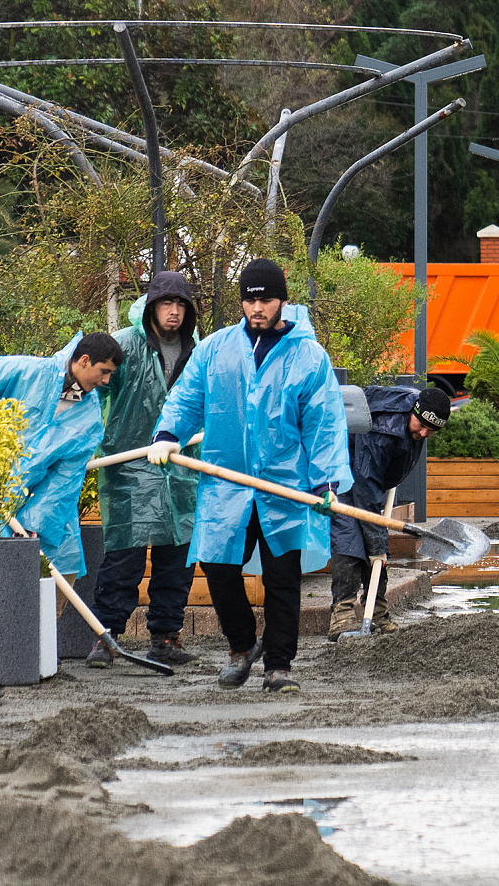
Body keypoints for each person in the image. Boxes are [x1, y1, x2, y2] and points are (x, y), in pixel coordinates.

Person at [149, 258, 350, 695]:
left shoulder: (308, 356)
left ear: (282, 300)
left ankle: (279, 665)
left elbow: (324, 423)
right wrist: (167, 434)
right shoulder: (216, 349)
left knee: (282, 576)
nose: (257, 308)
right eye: (250, 300)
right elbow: (187, 398)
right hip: (226, 481)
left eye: (266, 300)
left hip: (285, 485)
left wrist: (327, 481)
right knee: (217, 564)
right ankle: (241, 647)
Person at [0, 332, 123, 583]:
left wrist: (32, 526)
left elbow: (64, 481)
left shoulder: (89, 421)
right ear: (83, 360)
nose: (106, 380)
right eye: (104, 371)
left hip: (41, 508)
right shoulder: (30, 372)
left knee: (54, 579)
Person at [87, 271, 201, 669]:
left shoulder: (197, 351)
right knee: (125, 556)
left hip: (182, 469)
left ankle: (165, 638)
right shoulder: (124, 345)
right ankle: (106, 638)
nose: (175, 312)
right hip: (129, 464)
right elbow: (88, 386)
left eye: (182, 304)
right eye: (167, 303)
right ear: (152, 306)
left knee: (178, 557)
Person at [328, 386, 449, 638]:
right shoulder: (383, 431)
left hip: (366, 477)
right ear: (413, 411)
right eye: (421, 425)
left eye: (432, 430)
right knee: (350, 541)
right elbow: (365, 484)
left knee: (377, 547)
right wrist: (376, 545)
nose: (424, 433)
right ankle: (342, 615)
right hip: (342, 476)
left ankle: (378, 613)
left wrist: (377, 545)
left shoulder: (415, 410)